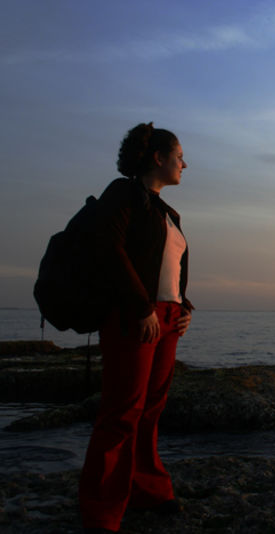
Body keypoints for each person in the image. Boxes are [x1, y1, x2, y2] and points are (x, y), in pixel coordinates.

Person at [79, 123, 193, 534]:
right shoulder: (123, 194)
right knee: (122, 411)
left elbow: (168, 267)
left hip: (167, 317)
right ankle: (101, 512)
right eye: (179, 156)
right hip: (134, 315)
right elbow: (109, 249)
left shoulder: (167, 212)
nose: (184, 164)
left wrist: (184, 306)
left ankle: (147, 489)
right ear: (158, 158)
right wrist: (141, 306)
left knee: (150, 410)